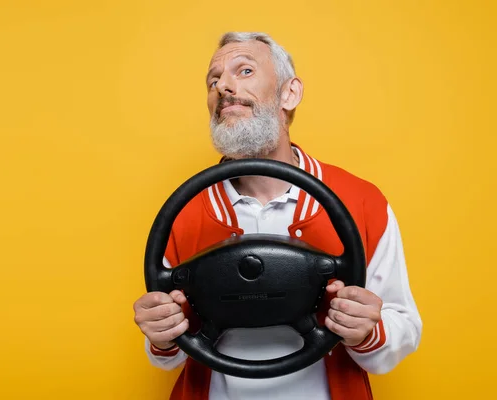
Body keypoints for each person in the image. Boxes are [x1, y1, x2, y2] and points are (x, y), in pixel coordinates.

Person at [132, 32, 422, 400]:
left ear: (290, 93)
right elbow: (166, 356)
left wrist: (367, 329)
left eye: (245, 70)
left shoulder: (361, 201)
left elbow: (403, 327)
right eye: (213, 80)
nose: (223, 87)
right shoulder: (181, 212)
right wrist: (160, 334)